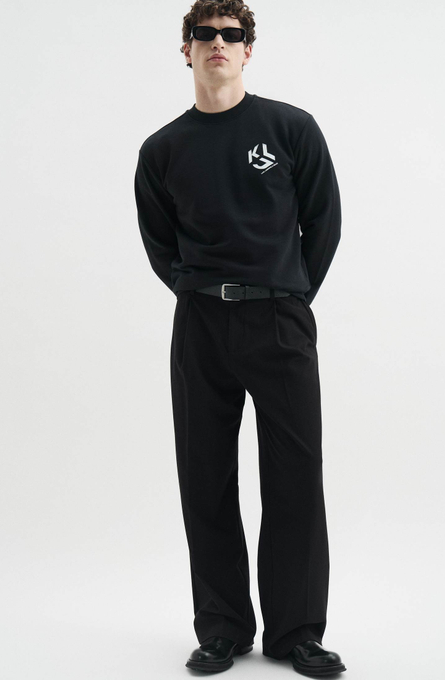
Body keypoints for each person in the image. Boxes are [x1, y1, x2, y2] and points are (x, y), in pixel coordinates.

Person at [134, 1, 346, 675]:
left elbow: (323, 222)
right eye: (205, 34)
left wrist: (289, 293)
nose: (217, 43)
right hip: (200, 324)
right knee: (205, 477)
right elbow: (160, 243)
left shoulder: (289, 128)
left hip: (279, 320)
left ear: (248, 49)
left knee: (294, 477)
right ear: (187, 49)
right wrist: (198, 290)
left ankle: (296, 633)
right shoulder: (162, 149)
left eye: (232, 34)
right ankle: (222, 628)